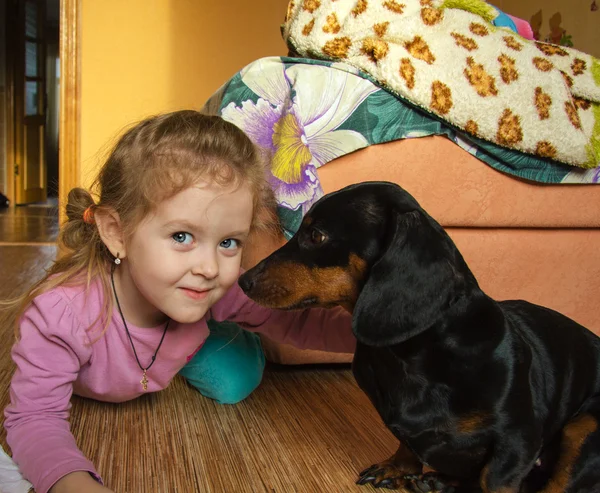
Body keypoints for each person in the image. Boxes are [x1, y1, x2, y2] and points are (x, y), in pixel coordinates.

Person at [2, 110, 355, 493]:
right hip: (148, 330)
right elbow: (34, 419)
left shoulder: (209, 285)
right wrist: (73, 484)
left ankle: (229, 331)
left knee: (236, 380)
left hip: (195, 324)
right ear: (116, 233)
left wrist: (375, 331)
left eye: (228, 242)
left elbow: (296, 324)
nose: (208, 267)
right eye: (182, 237)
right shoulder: (60, 314)